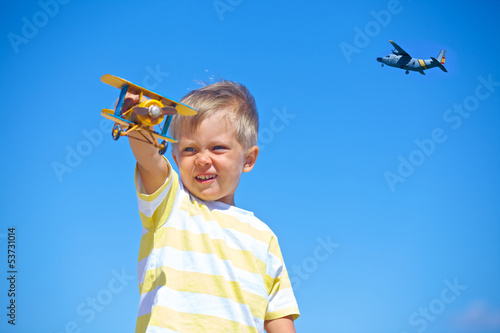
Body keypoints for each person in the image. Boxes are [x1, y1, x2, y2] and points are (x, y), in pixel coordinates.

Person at [123, 80, 300, 332]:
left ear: (248, 159)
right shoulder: (172, 204)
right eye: (189, 149)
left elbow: (278, 318)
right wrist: (138, 121)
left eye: (217, 148)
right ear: (174, 158)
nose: (203, 159)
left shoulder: (264, 237)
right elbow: (149, 160)